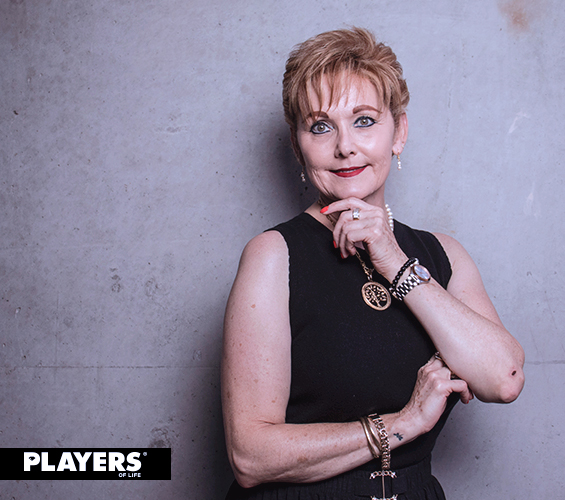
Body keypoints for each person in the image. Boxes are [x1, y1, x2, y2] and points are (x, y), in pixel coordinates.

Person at [221, 27, 525, 500]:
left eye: (364, 121)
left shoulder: (442, 254)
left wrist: (394, 261)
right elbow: (249, 457)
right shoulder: (274, 255)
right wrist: (403, 423)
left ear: (398, 133)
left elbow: (504, 380)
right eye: (320, 126)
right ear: (298, 146)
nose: (345, 146)